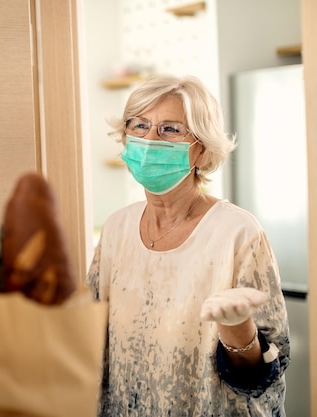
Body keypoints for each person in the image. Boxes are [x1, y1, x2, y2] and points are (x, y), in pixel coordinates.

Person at [86, 74, 290, 416]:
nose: (150, 139)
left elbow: (265, 378)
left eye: (170, 129)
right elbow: (90, 337)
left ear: (202, 149)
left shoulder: (237, 232)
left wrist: (238, 331)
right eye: (139, 125)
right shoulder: (116, 228)